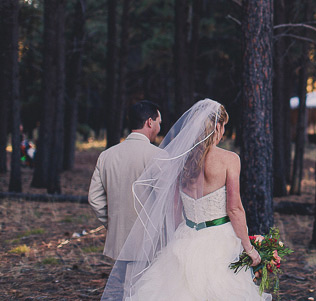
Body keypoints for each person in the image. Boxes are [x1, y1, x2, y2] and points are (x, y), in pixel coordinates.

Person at [102, 99, 270, 301]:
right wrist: (249, 249)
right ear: (217, 126)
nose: (224, 132)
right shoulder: (230, 159)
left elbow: (174, 208)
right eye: (223, 126)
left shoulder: (181, 161)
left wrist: (175, 242)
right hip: (220, 241)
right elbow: (235, 209)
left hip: (186, 237)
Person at [88, 100, 162, 291]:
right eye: (159, 122)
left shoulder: (107, 155)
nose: (160, 127)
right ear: (149, 122)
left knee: (127, 288)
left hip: (119, 238)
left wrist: (113, 223)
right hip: (150, 240)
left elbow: (94, 200)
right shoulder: (158, 155)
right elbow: (166, 199)